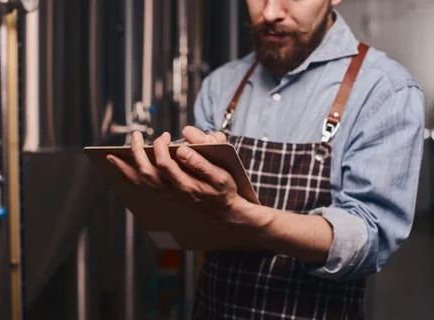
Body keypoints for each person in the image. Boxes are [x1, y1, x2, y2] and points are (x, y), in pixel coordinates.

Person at [107, 0, 425, 318]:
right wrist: (169, 190)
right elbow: (193, 228)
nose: (270, 12)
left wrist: (241, 212)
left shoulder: (385, 90)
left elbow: (369, 239)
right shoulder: (221, 85)